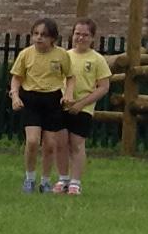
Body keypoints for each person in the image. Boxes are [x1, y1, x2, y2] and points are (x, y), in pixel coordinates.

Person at [9, 18, 68, 194]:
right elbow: (16, 78)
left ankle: (46, 180)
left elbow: (70, 77)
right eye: (36, 34)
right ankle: (29, 178)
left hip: (52, 99)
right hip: (31, 99)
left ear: (53, 38)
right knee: (33, 141)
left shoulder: (61, 55)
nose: (39, 38)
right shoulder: (26, 54)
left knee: (49, 144)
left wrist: (69, 94)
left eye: (44, 35)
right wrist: (15, 96)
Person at [57, 19, 110, 196]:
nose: (80, 38)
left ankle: (75, 182)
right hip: (62, 106)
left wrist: (81, 104)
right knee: (61, 143)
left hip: (83, 108)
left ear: (92, 38)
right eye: (77, 34)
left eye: (85, 35)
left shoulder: (97, 60)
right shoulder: (64, 56)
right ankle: (63, 179)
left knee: (77, 144)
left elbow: (103, 87)